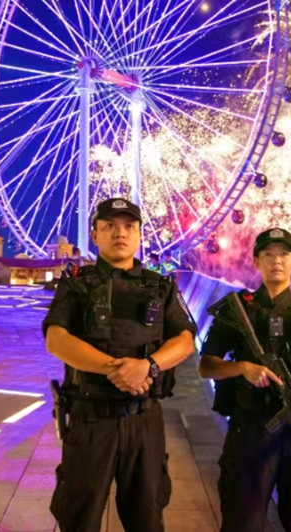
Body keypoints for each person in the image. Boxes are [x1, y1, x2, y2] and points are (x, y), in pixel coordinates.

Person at [43, 199, 197, 532]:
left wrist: (149, 366)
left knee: (147, 519)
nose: (120, 233)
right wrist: (118, 369)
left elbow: (185, 340)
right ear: (95, 234)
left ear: (140, 235)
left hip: (145, 422)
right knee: (79, 520)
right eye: (110, 226)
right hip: (90, 419)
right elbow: (56, 339)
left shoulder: (161, 287)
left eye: (129, 226)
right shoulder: (75, 285)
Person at [198, 228, 291, 532]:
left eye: (283, 255)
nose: (276, 261)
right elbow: (207, 366)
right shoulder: (240, 309)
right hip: (249, 432)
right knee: (242, 522)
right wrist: (242, 368)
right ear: (256, 261)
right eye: (268, 254)